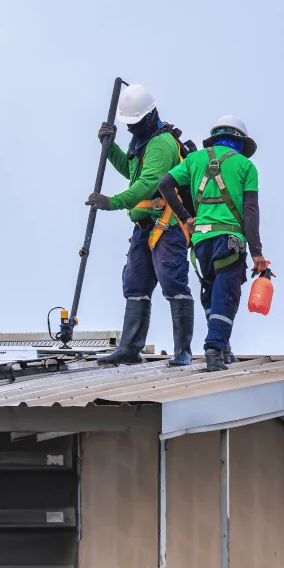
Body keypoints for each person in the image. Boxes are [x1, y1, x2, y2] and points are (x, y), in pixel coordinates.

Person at [86, 84, 195, 366]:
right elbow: (132, 172)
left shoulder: (160, 143)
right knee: (135, 284)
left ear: (149, 116)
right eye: (128, 124)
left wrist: (111, 202)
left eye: (135, 123)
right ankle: (130, 348)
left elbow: (148, 185)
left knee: (173, 283)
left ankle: (183, 351)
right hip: (144, 227)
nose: (132, 128)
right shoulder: (142, 142)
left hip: (167, 226)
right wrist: (110, 148)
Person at [159, 116, 269, 372]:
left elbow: (165, 184)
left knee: (211, 294)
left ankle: (223, 347)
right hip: (229, 242)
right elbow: (250, 211)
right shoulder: (245, 166)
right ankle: (214, 349)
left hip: (200, 245)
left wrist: (186, 217)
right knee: (226, 296)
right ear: (240, 141)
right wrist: (257, 253)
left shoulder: (195, 160)